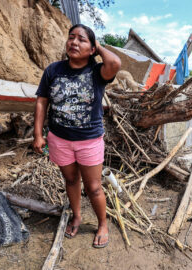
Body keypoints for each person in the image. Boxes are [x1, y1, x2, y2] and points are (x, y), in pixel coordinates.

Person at [32, 24, 121, 248]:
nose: (74, 42)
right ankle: (77, 216)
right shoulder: (53, 70)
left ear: (92, 49)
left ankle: (102, 224)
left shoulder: (98, 72)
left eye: (81, 39)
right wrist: (38, 134)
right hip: (59, 139)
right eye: (71, 37)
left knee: (93, 187)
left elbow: (115, 63)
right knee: (71, 180)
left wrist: (97, 46)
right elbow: (42, 100)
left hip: (89, 140)